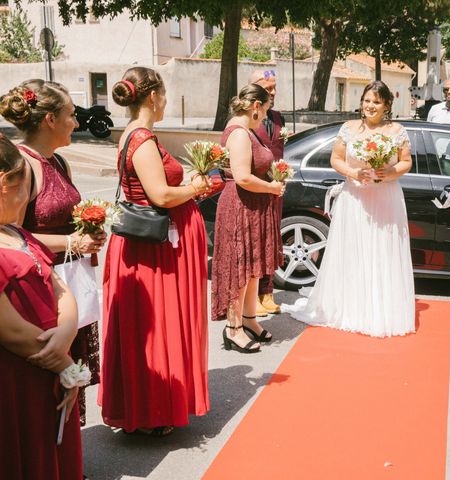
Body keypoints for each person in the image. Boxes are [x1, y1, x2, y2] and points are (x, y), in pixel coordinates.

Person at [100, 67, 211, 435]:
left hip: (148, 246)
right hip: (152, 248)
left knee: (145, 327)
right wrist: (197, 187)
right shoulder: (143, 138)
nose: (164, 101)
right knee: (156, 325)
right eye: (163, 95)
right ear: (152, 97)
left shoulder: (134, 133)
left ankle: (149, 404)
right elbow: (160, 195)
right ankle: (152, 410)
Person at [0, 79, 104, 425]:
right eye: (71, 115)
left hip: (70, 279)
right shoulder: (24, 166)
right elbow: (15, 234)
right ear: (49, 120)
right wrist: (73, 242)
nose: (76, 122)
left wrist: (88, 230)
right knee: (50, 372)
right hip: (38, 287)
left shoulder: (59, 162)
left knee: (72, 368)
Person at [282, 80, 415, 337]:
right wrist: (354, 172)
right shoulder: (349, 128)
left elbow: (406, 162)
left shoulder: (397, 130)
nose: (370, 106)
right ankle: (351, 307)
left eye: (376, 101)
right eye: (367, 100)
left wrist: (389, 172)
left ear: (387, 105)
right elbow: (335, 159)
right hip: (355, 196)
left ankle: (380, 310)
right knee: (354, 250)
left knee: (383, 250)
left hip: (386, 197)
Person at [0, 134, 84, 479]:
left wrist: (66, 331)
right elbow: (11, 330)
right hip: (17, 374)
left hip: (48, 363)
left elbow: (61, 289)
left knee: (50, 447)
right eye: (25, 189)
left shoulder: (18, 234)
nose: (27, 200)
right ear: (5, 184)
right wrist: (64, 364)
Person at [211, 83, 284, 353]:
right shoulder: (240, 134)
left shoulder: (247, 131)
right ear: (256, 106)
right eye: (265, 110)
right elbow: (242, 177)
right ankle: (233, 327)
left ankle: (249, 319)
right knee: (239, 268)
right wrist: (272, 187)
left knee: (253, 266)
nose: (266, 116)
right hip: (240, 206)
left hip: (252, 205)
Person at [248, 68, 286, 316]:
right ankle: (253, 297)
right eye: (267, 87)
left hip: (276, 186)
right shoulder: (248, 118)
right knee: (257, 240)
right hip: (255, 185)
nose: (272, 91)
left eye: (274, 87)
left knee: (273, 239)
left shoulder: (279, 117)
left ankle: (268, 291)